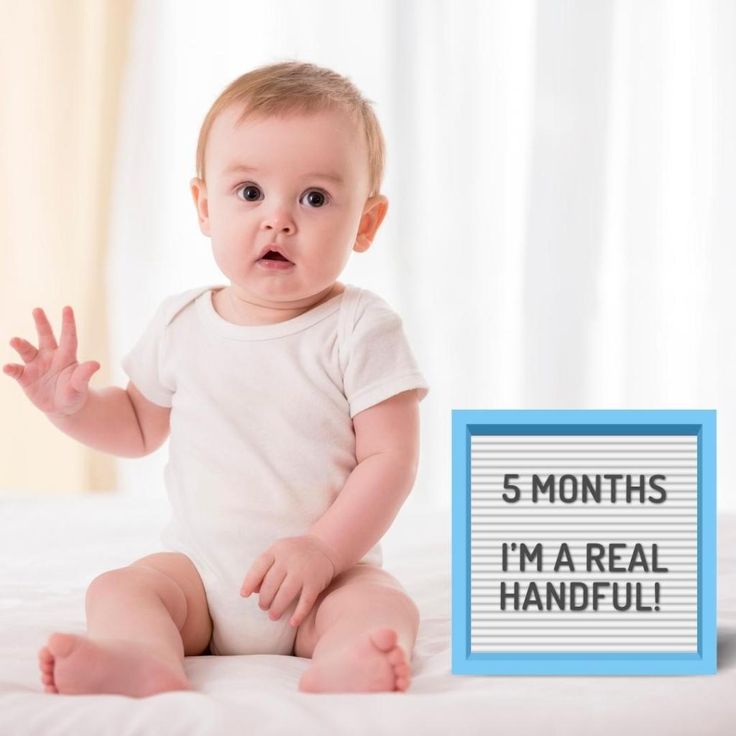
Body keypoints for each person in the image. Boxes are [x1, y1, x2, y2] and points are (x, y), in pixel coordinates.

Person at [3, 60, 429, 696]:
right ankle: (142, 656)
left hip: (324, 577)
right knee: (119, 587)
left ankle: (348, 659)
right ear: (205, 206)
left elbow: (391, 461)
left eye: (314, 198)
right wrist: (72, 407)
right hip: (200, 579)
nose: (278, 220)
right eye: (250, 192)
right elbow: (140, 426)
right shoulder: (181, 323)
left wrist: (323, 551)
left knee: (382, 606)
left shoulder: (360, 328)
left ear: (366, 223)